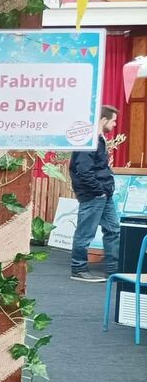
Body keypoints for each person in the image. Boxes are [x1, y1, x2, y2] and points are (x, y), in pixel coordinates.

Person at [70, 106, 121, 283]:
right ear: (103, 120)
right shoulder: (89, 141)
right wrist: (98, 191)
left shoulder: (98, 139)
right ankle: (78, 268)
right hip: (94, 194)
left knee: (113, 230)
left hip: (104, 193)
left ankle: (113, 270)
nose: (115, 124)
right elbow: (83, 170)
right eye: (113, 120)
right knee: (85, 233)